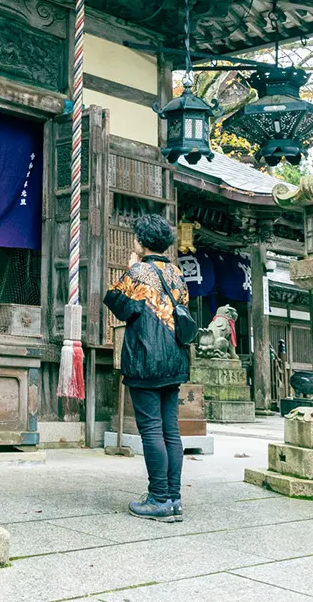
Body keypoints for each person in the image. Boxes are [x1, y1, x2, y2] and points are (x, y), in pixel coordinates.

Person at [103, 214, 191, 522]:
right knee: (171, 430)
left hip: (146, 357)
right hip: (175, 359)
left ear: (140, 242)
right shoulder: (177, 273)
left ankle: (158, 499)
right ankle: (174, 498)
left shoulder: (139, 271)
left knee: (151, 429)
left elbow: (116, 302)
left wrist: (130, 268)